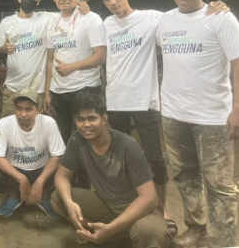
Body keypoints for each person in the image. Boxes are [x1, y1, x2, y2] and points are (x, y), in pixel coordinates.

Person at [99, 0, 230, 234]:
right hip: (115, 100)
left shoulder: (152, 18)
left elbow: (186, 17)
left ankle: (161, 208)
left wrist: (214, 7)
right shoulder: (106, 24)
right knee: (121, 157)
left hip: (145, 100)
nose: (112, 3)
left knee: (154, 159)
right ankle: (131, 203)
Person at [157, 0, 239, 248]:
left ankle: (221, 241)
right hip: (173, 115)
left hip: (212, 118)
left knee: (218, 184)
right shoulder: (164, 21)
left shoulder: (221, 19)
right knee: (185, 177)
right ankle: (196, 228)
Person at [51, 92, 171, 247]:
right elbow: (61, 176)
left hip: (136, 209)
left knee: (150, 232)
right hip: (106, 204)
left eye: (92, 118)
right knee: (57, 198)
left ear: (104, 119)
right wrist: (69, 203)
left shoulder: (127, 145)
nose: (86, 125)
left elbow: (150, 198)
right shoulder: (77, 139)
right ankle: (112, 234)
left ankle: (112, 232)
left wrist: (110, 229)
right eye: (80, 119)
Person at [44, 0, 106, 146]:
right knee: (62, 138)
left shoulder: (91, 19)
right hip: (58, 92)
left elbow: (100, 56)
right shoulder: (52, 24)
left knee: (83, 138)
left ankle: (84, 165)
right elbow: (50, 60)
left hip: (84, 88)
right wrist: (48, 91)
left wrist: (72, 67)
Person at [0, 87, 65, 219]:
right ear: (14, 108)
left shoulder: (49, 123)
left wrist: (40, 181)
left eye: (29, 109)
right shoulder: (4, 124)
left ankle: (44, 196)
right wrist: (21, 179)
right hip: (15, 170)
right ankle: (14, 195)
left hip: (41, 169)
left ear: (38, 109)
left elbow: (57, 155)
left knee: (63, 169)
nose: (23, 114)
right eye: (19, 108)